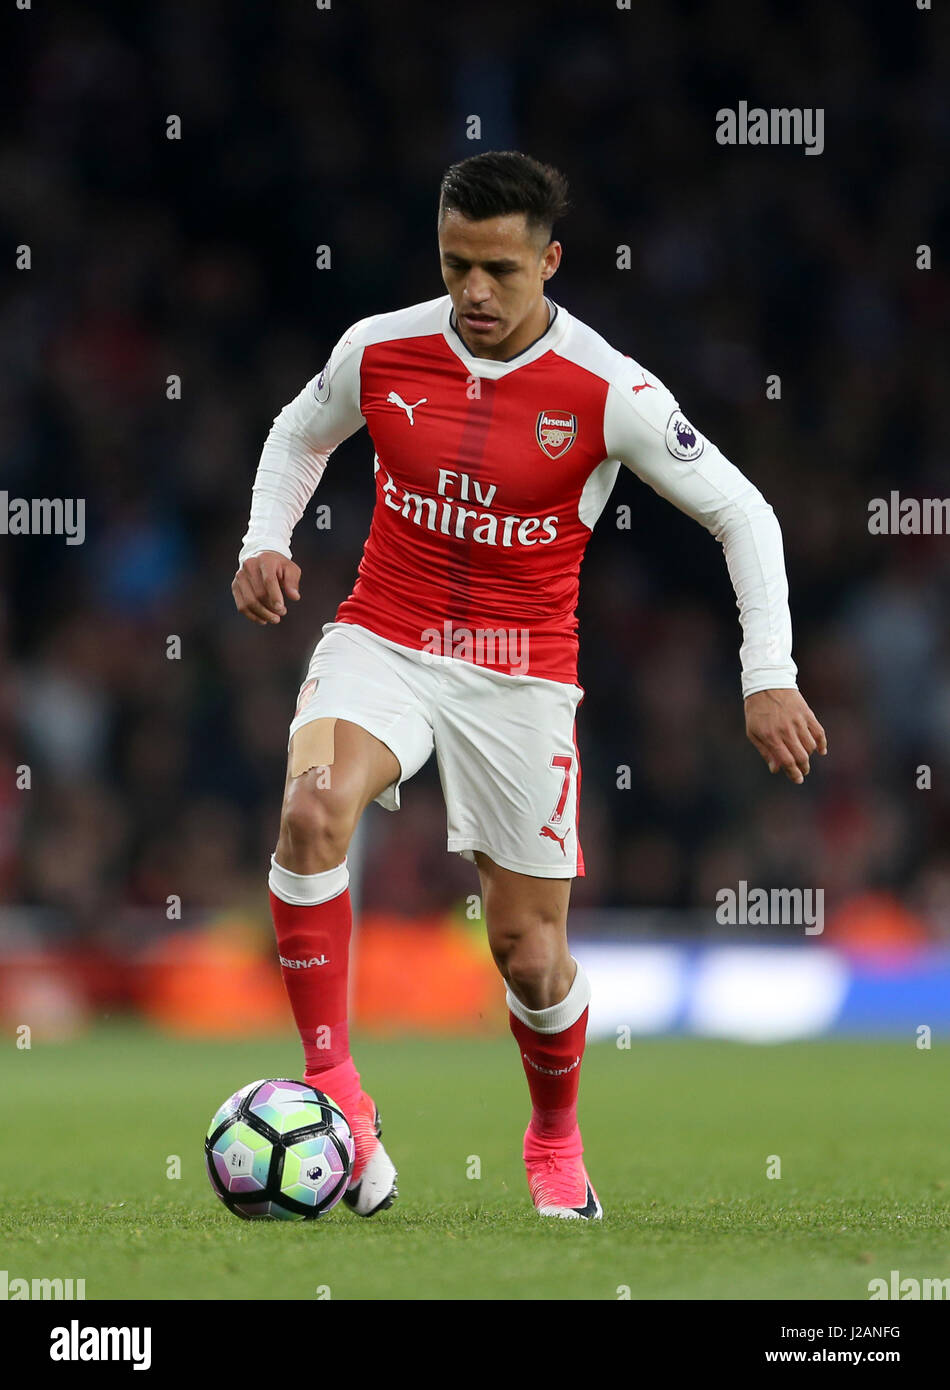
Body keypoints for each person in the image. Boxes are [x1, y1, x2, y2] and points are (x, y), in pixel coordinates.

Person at [232, 150, 827, 1220]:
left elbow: (745, 514)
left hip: (519, 676)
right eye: (456, 264)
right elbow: (296, 432)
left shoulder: (607, 388)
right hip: (383, 635)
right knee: (312, 807)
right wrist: (264, 538)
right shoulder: (378, 348)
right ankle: (334, 1087)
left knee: (530, 953)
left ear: (547, 261)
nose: (473, 293)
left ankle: (553, 1138)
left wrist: (766, 675)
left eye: (499, 270)